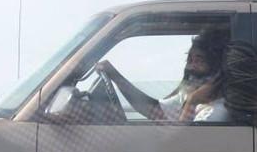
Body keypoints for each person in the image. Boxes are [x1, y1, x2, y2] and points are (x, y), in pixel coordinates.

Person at [95, 29, 231, 122]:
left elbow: (178, 144)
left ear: (217, 72)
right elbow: (154, 111)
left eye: (199, 61)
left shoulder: (215, 113)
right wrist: (115, 76)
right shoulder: (192, 96)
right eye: (190, 60)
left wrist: (191, 102)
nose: (190, 67)